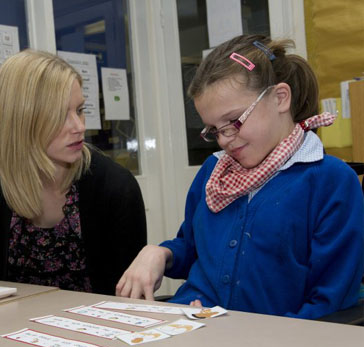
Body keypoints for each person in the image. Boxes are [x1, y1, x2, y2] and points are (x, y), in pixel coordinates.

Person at [116, 34, 364, 319]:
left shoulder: (329, 181)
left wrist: (248, 341)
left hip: (277, 344)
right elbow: (192, 248)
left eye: (233, 121)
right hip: (193, 326)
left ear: (280, 98)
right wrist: (159, 254)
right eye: (214, 129)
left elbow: (330, 299)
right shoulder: (214, 171)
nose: (224, 140)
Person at [0, 49, 147, 295]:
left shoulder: (115, 187)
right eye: (60, 116)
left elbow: (128, 301)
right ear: (21, 121)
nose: (79, 127)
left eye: (79, 110)